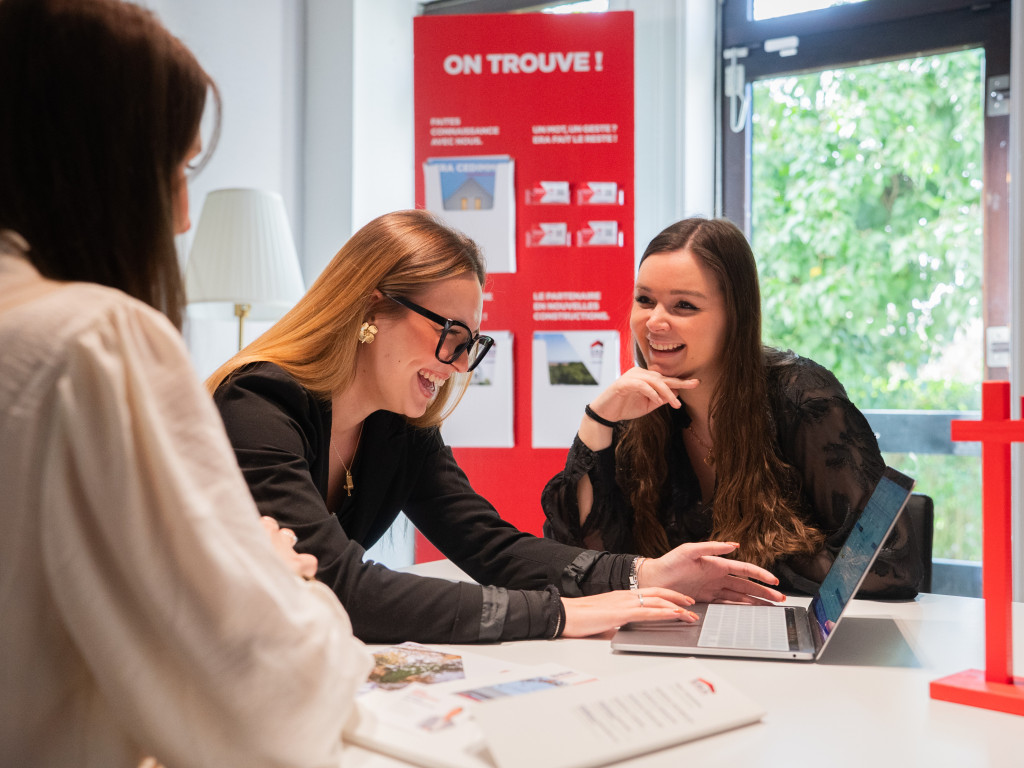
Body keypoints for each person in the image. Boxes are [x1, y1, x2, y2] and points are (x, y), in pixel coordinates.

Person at [0, 1, 370, 766]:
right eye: (178, 168)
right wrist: (276, 580)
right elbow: (263, 701)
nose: (181, 217)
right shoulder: (96, 341)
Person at [207, 209, 787, 644]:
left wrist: (642, 573)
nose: (461, 365)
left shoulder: (399, 426)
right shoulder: (257, 403)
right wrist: (556, 615)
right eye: (451, 335)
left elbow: (491, 545)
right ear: (371, 307)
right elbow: (340, 587)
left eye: (472, 344)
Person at [542, 216, 922, 599]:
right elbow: (581, 560)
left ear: (734, 317)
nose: (654, 321)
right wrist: (597, 420)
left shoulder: (803, 399)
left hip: (781, 623)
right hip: (681, 625)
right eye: (645, 300)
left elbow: (891, 564)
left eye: (684, 305)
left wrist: (727, 573)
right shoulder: (638, 409)